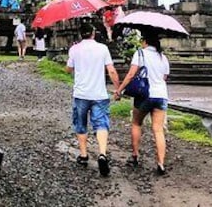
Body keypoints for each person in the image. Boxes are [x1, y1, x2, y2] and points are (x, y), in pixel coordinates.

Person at [66, 23, 120, 177]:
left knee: (81, 123)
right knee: (101, 123)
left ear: (80, 34)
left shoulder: (74, 49)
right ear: (93, 33)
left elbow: (68, 69)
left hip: (81, 94)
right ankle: (102, 153)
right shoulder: (102, 48)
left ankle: (83, 155)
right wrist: (118, 88)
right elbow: (111, 70)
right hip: (99, 94)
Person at [113, 32, 170, 175]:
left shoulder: (140, 54)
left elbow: (131, 74)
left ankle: (135, 155)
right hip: (161, 95)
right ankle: (161, 163)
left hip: (145, 95)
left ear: (145, 41)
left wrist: (119, 90)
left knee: (136, 123)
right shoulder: (163, 57)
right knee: (158, 129)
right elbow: (164, 77)